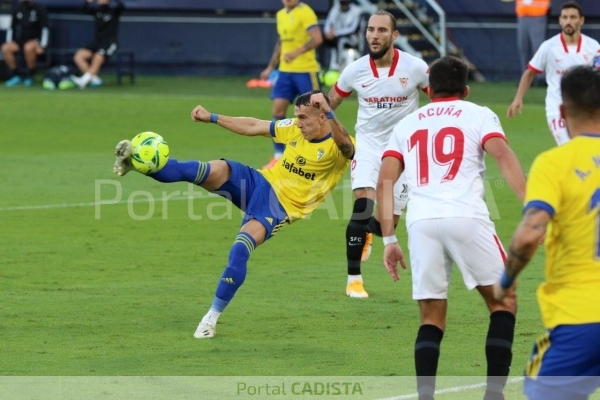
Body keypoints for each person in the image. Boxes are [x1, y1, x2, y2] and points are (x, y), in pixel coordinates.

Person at [113, 90, 355, 339]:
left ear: (323, 117)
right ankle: (137, 164)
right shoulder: (294, 128)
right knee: (208, 169)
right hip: (259, 180)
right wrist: (212, 117)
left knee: (240, 249)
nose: (298, 122)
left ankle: (210, 320)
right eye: (297, 116)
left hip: (279, 205)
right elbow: (253, 125)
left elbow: (347, 147)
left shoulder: (338, 146)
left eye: (304, 117)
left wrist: (329, 109)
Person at [378, 56, 526, 400]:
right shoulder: (478, 113)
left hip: (421, 223)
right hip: (466, 216)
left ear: (428, 90)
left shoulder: (406, 124)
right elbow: (502, 155)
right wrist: (532, 204)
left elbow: (385, 181)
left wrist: (388, 238)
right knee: (504, 302)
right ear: (466, 89)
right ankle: (493, 394)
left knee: (431, 314)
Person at [494, 65, 600, 400]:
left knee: (543, 391)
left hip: (582, 317)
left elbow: (530, 233)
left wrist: (505, 281)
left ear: (563, 111)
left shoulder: (555, 163)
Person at [327, 10, 429, 298]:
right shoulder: (355, 71)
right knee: (364, 205)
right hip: (369, 147)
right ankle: (353, 280)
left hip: (403, 152)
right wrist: (334, 134)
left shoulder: (415, 68)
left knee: (387, 228)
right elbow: (329, 105)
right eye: (371, 29)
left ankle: (371, 232)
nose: (374, 35)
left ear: (394, 35)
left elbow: (442, 97)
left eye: (382, 30)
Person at [507, 1, 600, 146]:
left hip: (583, 106)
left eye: (573, 17)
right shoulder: (549, 47)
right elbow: (530, 73)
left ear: (581, 20)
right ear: (560, 20)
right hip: (557, 107)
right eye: (565, 17)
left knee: (587, 147)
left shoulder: (593, 47)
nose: (568, 21)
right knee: (568, 146)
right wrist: (518, 98)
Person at [259, 0, 323, 169]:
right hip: (285, 71)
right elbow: (281, 43)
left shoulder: (305, 12)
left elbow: (317, 38)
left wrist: (297, 52)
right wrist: (271, 67)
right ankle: (279, 156)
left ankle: (318, 153)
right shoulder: (281, 15)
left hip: (305, 70)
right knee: (277, 111)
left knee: (314, 111)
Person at [71, 0, 125, 89]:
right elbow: (82, 8)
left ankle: (83, 81)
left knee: (98, 57)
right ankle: (95, 80)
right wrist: (88, 1)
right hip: (97, 41)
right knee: (79, 56)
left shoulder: (114, 11)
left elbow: (121, 6)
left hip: (109, 42)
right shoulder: (97, 11)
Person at [1, 0, 49, 87]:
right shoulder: (17, 8)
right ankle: (15, 74)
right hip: (19, 41)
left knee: (28, 47)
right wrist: (9, 41)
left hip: (34, 40)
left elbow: (45, 29)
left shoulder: (39, 9)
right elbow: (11, 28)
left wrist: (42, 45)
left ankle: (30, 75)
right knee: (6, 48)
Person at [515, 0, 550, 87]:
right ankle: (526, 79)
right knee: (523, 48)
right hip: (522, 15)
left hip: (538, 15)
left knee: (538, 49)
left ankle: (541, 78)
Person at [323, 0, 363, 72]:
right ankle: (325, 66)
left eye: (345, 3)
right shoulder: (335, 10)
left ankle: (338, 64)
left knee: (342, 40)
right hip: (335, 37)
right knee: (324, 39)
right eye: (342, 3)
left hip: (353, 39)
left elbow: (352, 29)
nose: (344, 5)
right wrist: (328, 33)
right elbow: (328, 23)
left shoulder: (356, 11)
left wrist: (335, 33)